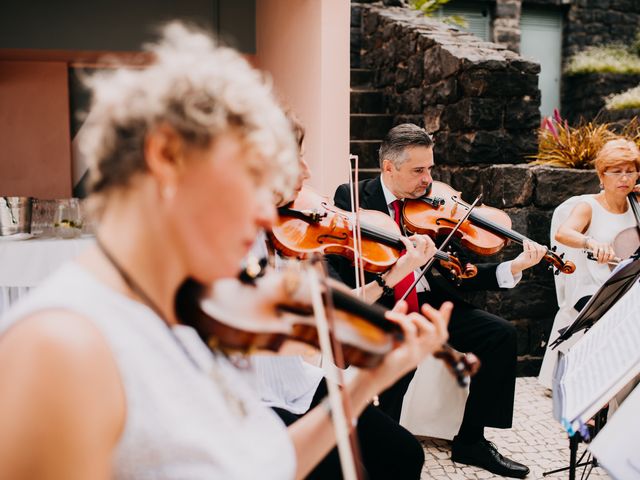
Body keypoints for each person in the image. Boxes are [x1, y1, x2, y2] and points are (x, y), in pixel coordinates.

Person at [0, 26, 452, 480]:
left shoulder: (194, 311)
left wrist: (369, 383)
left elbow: (262, 466)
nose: (267, 214)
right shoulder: (60, 348)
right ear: (166, 158)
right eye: (252, 179)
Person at [328, 123, 547, 479]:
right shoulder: (352, 197)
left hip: (432, 304)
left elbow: (464, 271)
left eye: (430, 168)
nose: (428, 179)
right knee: (402, 361)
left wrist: (513, 266)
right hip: (386, 304)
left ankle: (471, 442)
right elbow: (345, 262)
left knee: (500, 334)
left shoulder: (433, 206)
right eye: (418, 170)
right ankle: (383, 454)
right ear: (389, 168)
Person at [250, 115, 437, 479]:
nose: (306, 172)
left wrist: (397, 272)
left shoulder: (288, 234)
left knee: (404, 454)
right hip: (254, 402)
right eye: (296, 160)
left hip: (296, 385)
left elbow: (331, 305)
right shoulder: (230, 244)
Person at [538, 138, 640, 388]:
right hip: (593, 287)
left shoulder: (635, 203)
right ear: (602, 175)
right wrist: (590, 243)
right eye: (617, 171)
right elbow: (564, 233)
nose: (624, 178)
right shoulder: (589, 206)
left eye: (630, 171)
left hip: (627, 285)